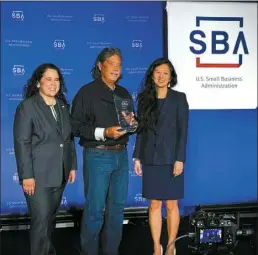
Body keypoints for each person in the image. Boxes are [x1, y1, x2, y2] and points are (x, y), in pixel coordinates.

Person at [71, 47, 136, 255]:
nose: (116, 68)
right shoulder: (86, 92)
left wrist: (133, 124)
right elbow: (75, 127)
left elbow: (129, 126)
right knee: (95, 210)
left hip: (121, 156)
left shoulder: (124, 93)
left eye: (119, 64)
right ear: (100, 66)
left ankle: (111, 252)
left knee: (116, 209)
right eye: (111, 63)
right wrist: (104, 132)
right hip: (98, 155)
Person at [13, 63, 77, 255]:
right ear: (38, 82)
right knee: (41, 221)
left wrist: (72, 165)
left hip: (60, 172)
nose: (53, 83)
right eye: (48, 79)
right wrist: (26, 176)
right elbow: (22, 143)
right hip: (37, 177)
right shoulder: (27, 107)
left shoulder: (63, 106)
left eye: (56, 79)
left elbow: (68, 139)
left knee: (49, 219)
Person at [133, 58, 189, 255]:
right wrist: (137, 157)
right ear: (152, 75)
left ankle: (171, 244)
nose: (161, 76)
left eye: (165, 73)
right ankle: (157, 245)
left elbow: (183, 131)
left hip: (172, 159)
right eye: (158, 72)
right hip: (151, 158)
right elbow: (141, 130)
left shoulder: (179, 98)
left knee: (171, 204)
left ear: (171, 76)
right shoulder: (144, 99)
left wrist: (180, 159)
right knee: (154, 204)